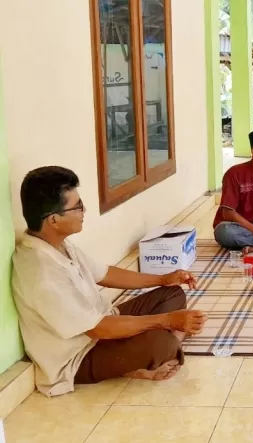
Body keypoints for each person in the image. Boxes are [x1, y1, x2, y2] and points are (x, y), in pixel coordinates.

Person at [11, 166, 208, 397]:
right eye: (77, 207)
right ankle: (158, 352)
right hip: (78, 355)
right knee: (160, 344)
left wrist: (163, 278)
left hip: (104, 323)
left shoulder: (57, 245)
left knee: (172, 293)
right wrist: (166, 320)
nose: (84, 210)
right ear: (53, 220)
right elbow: (99, 330)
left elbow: (106, 273)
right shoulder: (41, 273)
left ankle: (166, 343)